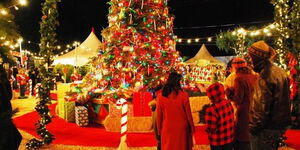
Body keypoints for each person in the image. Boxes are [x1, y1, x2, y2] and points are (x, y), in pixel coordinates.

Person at [248, 40, 291, 150]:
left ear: (256, 57)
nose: (249, 59)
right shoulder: (280, 71)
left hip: (266, 130)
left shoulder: (264, 76)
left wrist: (253, 129)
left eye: (250, 56)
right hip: (279, 126)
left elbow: (261, 109)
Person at [156, 72, 195, 150]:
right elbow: (188, 114)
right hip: (182, 129)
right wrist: (192, 128)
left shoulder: (160, 97)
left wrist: (159, 131)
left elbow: (159, 116)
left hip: (167, 128)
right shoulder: (184, 95)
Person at [229, 66, 257, 150]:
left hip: (244, 111)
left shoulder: (239, 79)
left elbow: (238, 99)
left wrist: (229, 92)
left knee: (243, 137)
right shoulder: (256, 77)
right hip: (255, 109)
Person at [205, 82, 235, 150]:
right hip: (229, 139)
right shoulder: (228, 103)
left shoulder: (211, 109)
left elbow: (211, 128)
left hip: (217, 141)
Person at [0, 65, 22, 150]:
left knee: (15, 138)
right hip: (3, 120)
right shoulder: (4, 82)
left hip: (5, 117)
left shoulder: (3, 83)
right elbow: (8, 96)